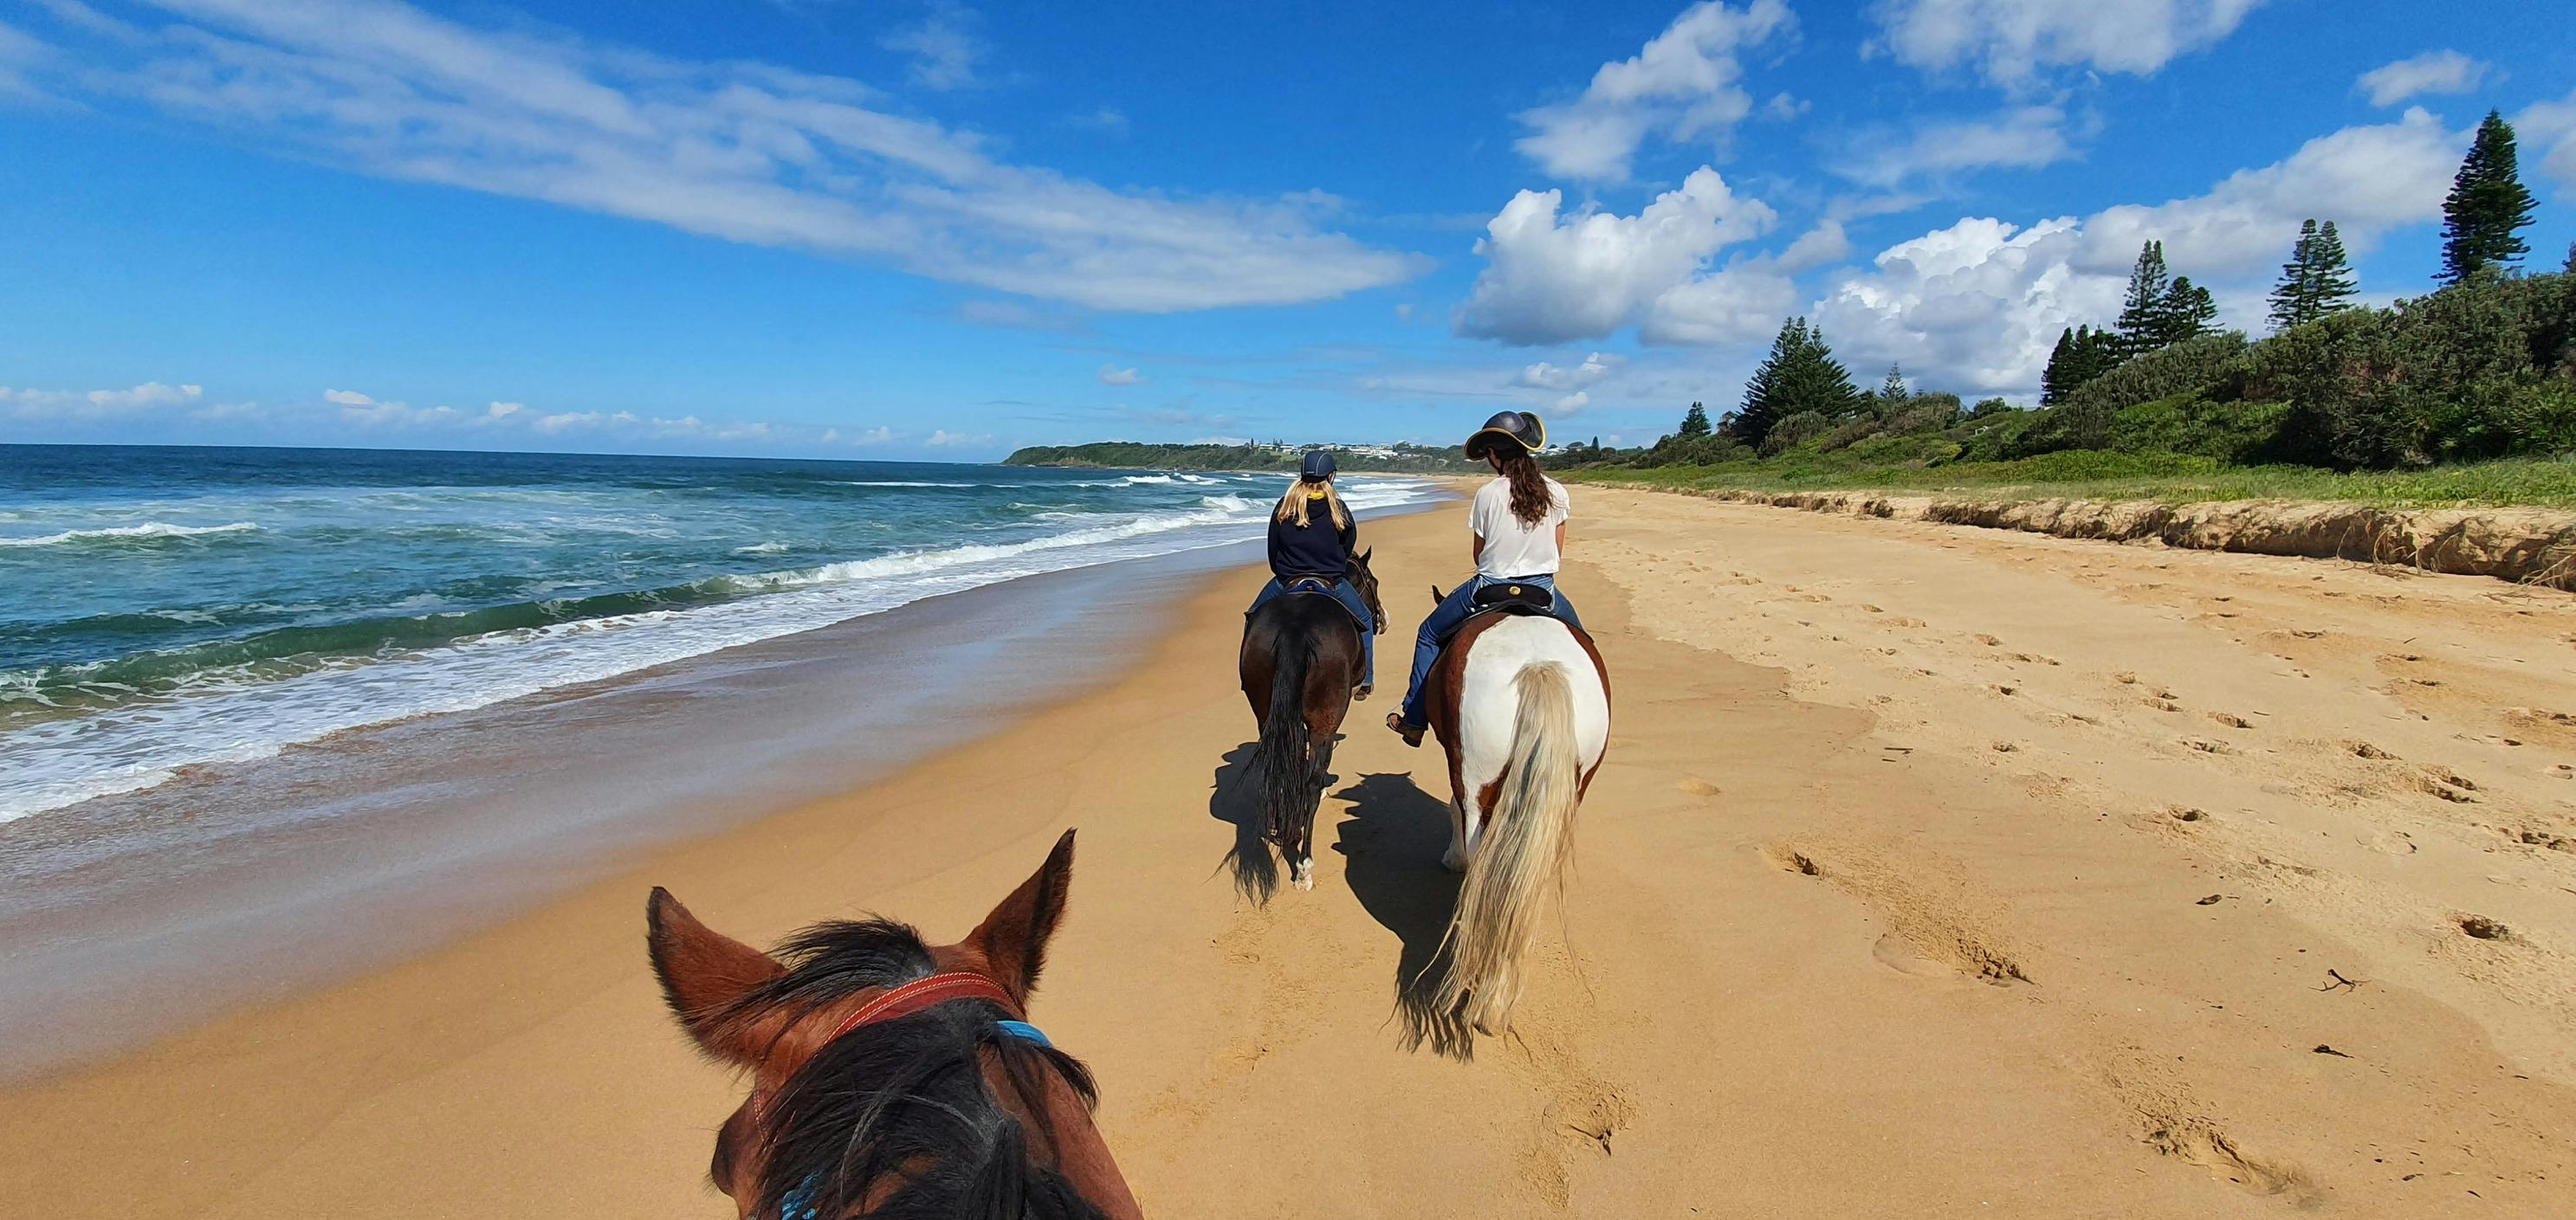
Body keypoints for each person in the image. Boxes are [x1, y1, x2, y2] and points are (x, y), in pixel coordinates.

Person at [1387, 410, 1582, 746]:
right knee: (1582, 643)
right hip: (1543, 590)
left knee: (1429, 633)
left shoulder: (1488, 494)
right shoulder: (1557, 492)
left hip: (1489, 587)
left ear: (1493, 454)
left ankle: (1414, 718)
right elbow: (1557, 551)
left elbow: (1479, 554)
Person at [1247, 450, 1375, 695]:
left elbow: (1272, 548)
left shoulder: (1284, 506)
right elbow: (1348, 546)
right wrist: (1332, 564)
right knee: (1366, 620)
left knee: (1253, 615)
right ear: (1330, 476)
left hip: (1287, 581)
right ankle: (1366, 678)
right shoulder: (1338, 507)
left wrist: (1284, 573)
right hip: (1332, 583)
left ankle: (1250, 675)